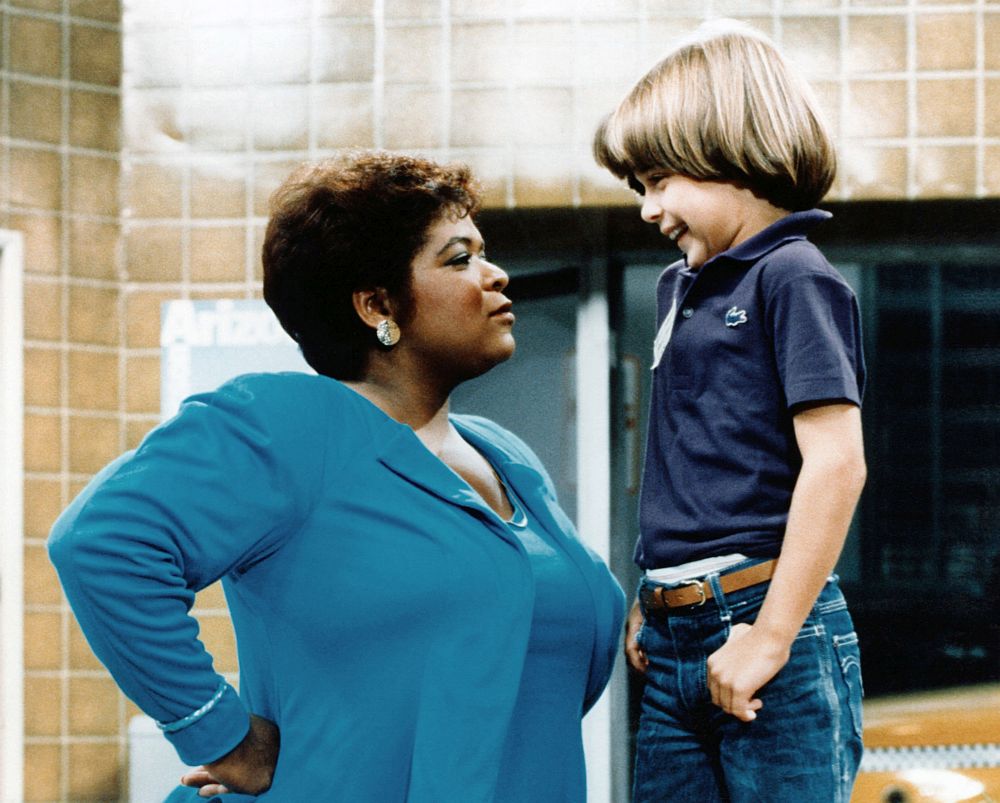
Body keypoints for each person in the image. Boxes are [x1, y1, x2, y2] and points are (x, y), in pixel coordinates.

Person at [48, 150, 625, 802]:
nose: (495, 275)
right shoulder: (289, 425)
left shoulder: (507, 457)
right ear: (376, 302)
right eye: (459, 258)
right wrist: (222, 736)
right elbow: (100, 540)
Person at [593, 20, 867, 802]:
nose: (648, 209)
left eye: (658, 181)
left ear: (730, 153)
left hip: (765, 621)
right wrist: (655, 591)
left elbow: (838, 463)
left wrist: (771, 636)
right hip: (674, 631)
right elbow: (685, 457)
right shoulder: (677, 288)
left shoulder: (794, 276)